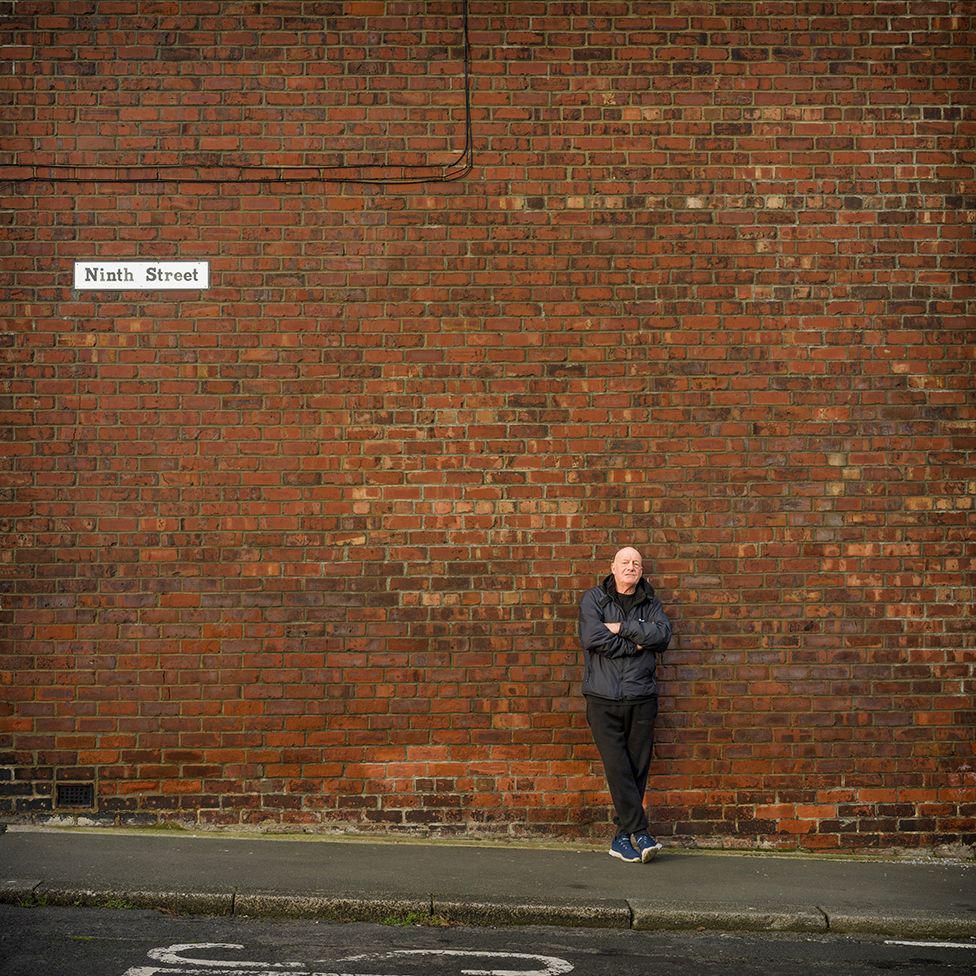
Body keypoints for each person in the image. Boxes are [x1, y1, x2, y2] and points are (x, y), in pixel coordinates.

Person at [578, 546, 672, 863]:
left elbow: (661, 637)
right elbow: (592, 638)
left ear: (641, 570)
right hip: (602, 699)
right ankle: (641, 832)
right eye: (625, 562)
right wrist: (636, 645)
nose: (631, 567)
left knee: (636, 769)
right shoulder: (594, 599)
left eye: (636, 563)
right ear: (613, 568)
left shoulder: (651, 602)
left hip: (641, 698)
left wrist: (619, 628)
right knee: (618, 767)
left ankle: (622, 838)